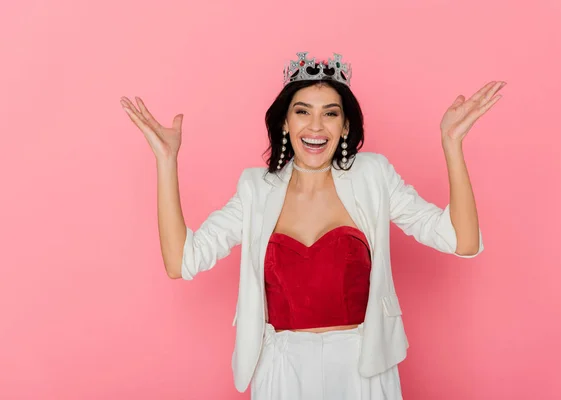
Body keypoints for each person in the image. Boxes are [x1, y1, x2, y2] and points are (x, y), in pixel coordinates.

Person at [120, 52, 502, 400]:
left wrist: (452, 144)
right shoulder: (256, 189)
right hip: (282, 373)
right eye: (302, 111)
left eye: (330, 113)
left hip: (362, 371)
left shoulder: (373, 177)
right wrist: (166, 162)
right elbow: (181, 261)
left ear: (345, 124)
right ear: (285, 122)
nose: (316, 126)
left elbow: (461, 241)